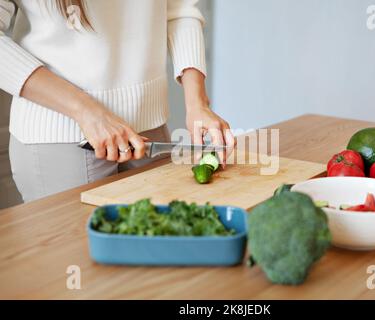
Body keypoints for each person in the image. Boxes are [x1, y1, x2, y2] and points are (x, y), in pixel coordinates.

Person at [0, 0, 234, 202]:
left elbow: (180, 9)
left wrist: (197, 104)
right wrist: (87, 111)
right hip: (60, 140)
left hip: (149, 132)